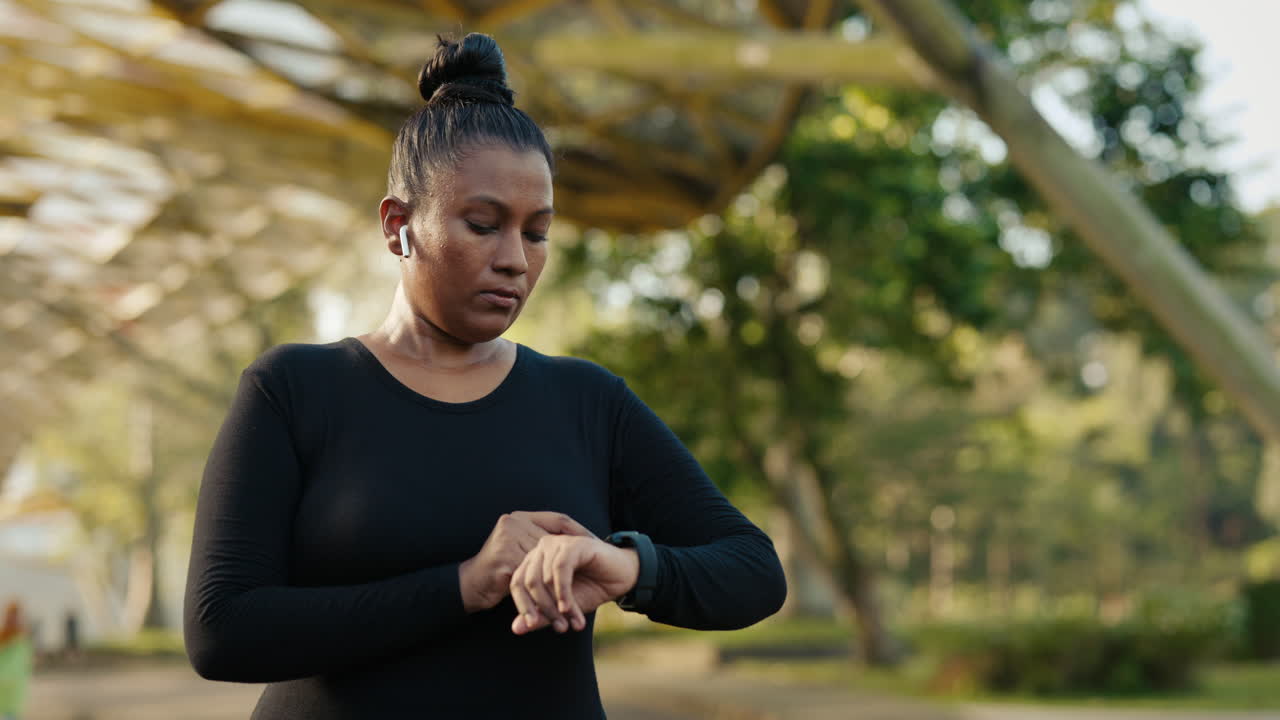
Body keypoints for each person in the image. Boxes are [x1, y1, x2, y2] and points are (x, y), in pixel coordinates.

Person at [183, 32, 786, 719]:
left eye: (536, 232)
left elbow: (754, 572)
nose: (515, 260)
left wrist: (627, 566)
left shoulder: (586, 401)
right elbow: (221, 630)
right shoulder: (294, 389)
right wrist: (467, 584)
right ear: (398, 225)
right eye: (482, 224)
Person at [0, 601, 32, 720]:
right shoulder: (3, 638)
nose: (14, 620)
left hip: (11, 701)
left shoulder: (21, 642)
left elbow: (14, 669)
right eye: (11, 615)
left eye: (16, 616)